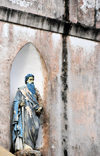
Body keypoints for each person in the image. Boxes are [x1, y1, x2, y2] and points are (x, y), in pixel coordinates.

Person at [12, 74, 43, 152]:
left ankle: (32, 145)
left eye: (33, 79)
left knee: (35, 128)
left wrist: (40, 108)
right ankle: (26, 145)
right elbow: (16, 101)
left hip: (35, 115)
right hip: (25, 113)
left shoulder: (36, 91)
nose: (32, 81)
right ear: (26, 81)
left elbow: (40, 102)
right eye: (30, 79)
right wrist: (19, 104)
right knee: (27, 127)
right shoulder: (21, 90)